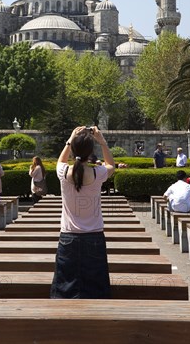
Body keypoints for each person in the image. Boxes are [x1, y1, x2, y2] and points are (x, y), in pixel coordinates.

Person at [50, 126, 115, 299]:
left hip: (68, 237)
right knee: (97, 288)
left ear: (73, 150)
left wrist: (70, 140)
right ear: (90, 152)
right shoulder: (98, 173)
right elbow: (111, 165)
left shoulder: (63, 173)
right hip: (94, 236)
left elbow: (61, 161)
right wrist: (102, 142)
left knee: (64, 288)